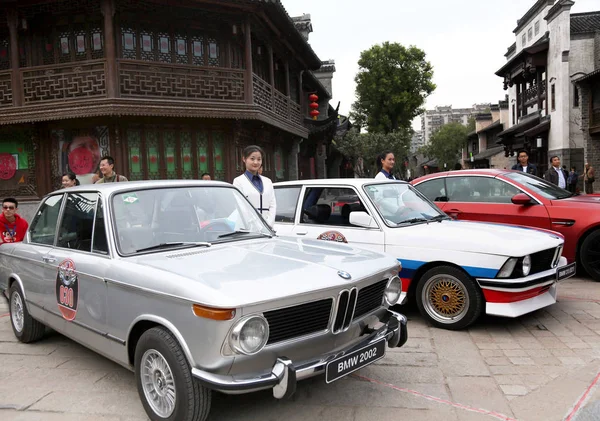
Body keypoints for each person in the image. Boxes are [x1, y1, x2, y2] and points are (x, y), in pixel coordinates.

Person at [233, 145, 276, 227]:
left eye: (259, 159)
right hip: (247, 228)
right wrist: (258, 226)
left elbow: (272, 205)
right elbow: (241, 207)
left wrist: (268, 225)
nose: (256, 162)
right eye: (252, 159)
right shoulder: (238, 181)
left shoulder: (268, 181)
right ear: (244, 159)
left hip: (268, 228)